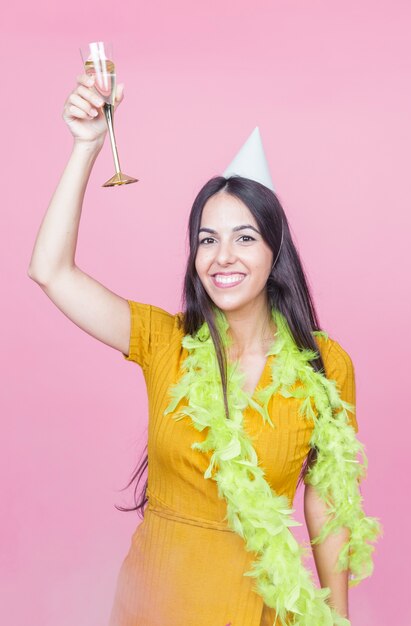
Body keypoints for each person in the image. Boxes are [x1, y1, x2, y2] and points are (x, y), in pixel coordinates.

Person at [28, 73, 381, 626]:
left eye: (244, 237)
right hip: (154, 602)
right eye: (207, 239)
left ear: (274, 252)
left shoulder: (325, 364)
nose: (223, 256)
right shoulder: (161, 340)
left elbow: (327, 499)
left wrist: (338, 616)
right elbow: (49, 270)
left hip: (258, 605)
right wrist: (86, 146)